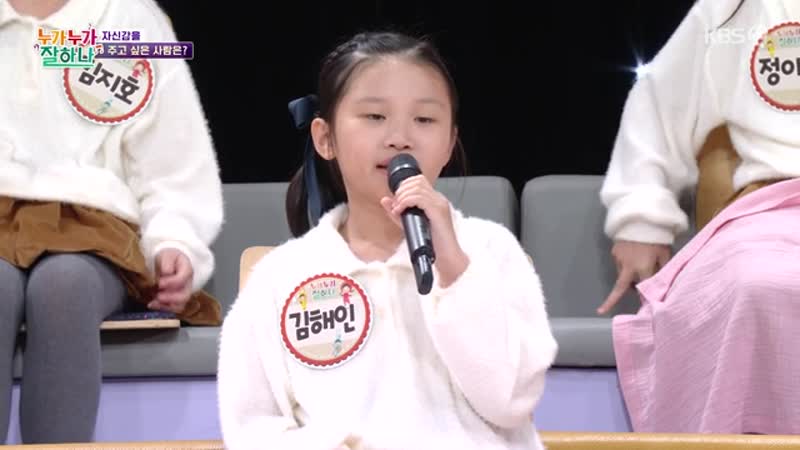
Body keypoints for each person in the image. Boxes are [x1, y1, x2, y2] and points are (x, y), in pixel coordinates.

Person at [217, 31, 558, 450]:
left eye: (425, 120)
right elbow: (252, 428)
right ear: (325, 138)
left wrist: (455, 271)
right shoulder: (281, 278)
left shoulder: (491, 251)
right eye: (375, 116)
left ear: (450, 143)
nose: (400, 137)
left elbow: (510, 402)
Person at [0, 0, 223, 444]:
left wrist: (174, 240)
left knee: (64, 285)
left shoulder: (129, 19)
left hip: (94, 230)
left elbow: (171, 163)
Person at [598, 0, 800, 434]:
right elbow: (661, 100)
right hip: (770, 212)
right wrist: (641, 216)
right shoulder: (735, 10)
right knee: (759, 282)